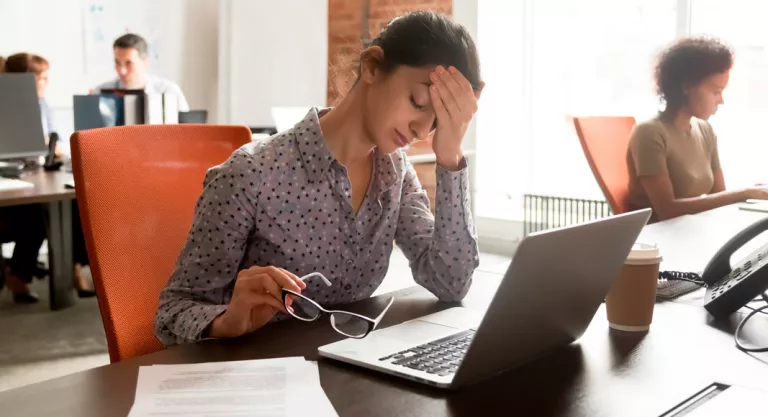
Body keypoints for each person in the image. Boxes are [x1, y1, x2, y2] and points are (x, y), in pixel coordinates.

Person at [155, 11, 484, 345]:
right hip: (257, 378)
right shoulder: (250, 175)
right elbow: (173, 313)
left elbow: (451, 283)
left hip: (346, 374)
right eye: (418, 102)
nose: (420, 131)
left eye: (435, 123)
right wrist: (227, 322)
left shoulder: (395, 174)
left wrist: (450, 156)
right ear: (371, 67)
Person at [627, 37, 768, 222]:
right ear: (687, 87)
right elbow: (667, 209)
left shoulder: (705, 130)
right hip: (658, 239)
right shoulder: (649, 133)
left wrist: (752, 192)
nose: (721, 100)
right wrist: (745, 192)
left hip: (694, 231)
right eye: (716, 91)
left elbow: (719, 196)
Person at [2, 53, 96, 299]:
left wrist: (53, 147)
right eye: (41, 78)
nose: (46, 83)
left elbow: (56, 141)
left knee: (75, 204)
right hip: (12, 183)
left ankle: (73, 268)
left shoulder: (42, 104)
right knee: (35, 214)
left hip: (36, 174)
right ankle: (19, 274)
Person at [91, 33, 190, 112]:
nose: (122, 70)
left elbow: (186, 132)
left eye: (128, 63)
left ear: (144, 62)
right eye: (117, 62)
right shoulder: (100, 92)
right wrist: (87, 105)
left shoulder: (168, 91)